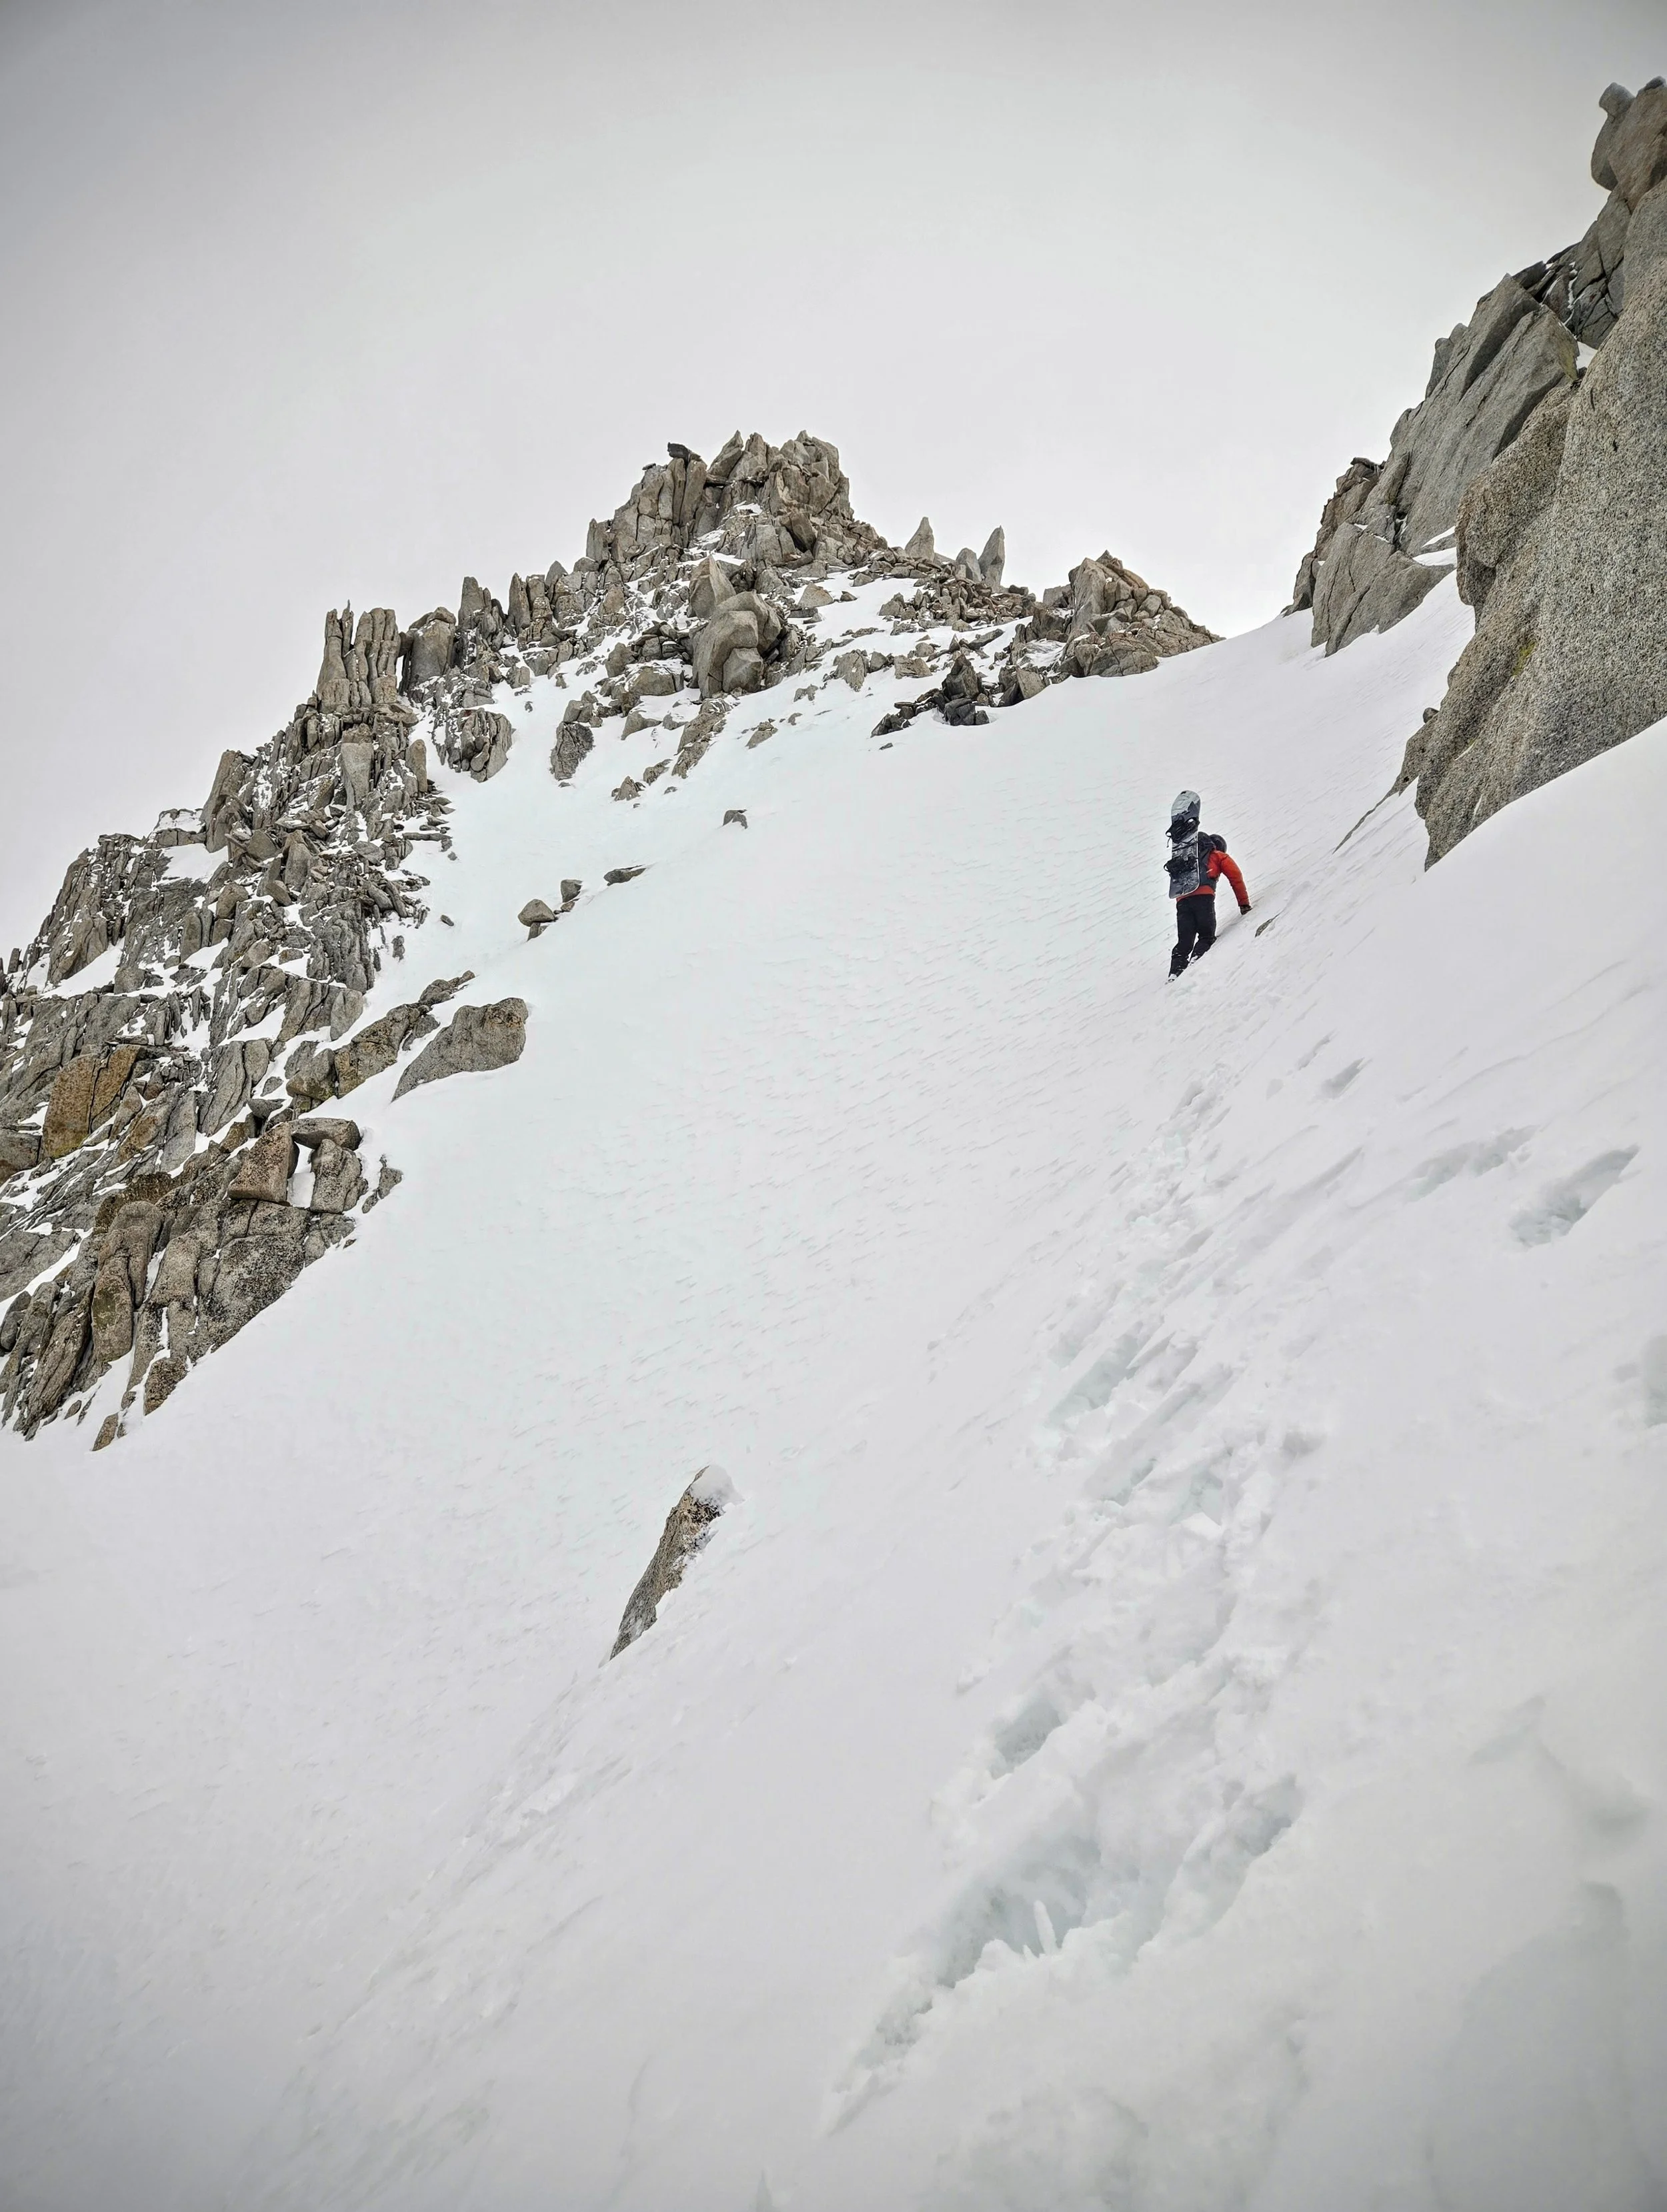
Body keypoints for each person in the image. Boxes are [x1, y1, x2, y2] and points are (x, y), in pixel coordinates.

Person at [1164, 788, 1250, 978]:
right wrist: (1243, 904)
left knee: (1184, 943)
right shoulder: (1218, 855)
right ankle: (1196, 962)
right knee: (1206, 936)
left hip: (1182, 900)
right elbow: (1236, 878)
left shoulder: (1189, 854)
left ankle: (1174, 974)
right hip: (1203, 898)